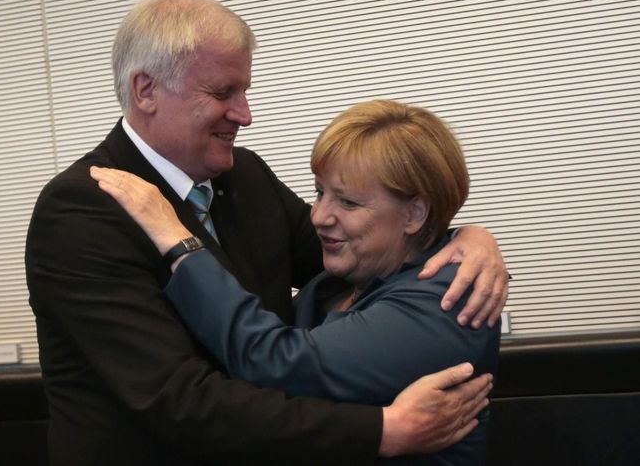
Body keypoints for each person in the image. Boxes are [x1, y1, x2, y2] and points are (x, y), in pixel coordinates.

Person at [26, 0, 505, 465]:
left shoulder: (244, 175)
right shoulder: (82, 210)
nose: (245, 114)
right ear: (146, 90)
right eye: (222, 92)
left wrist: (464, 238)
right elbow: (179, 402)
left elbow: (359, 250)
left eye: (244, 90)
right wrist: (382, 430)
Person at [91, 99, 501, 464]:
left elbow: (274, 361)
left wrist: (178, 241)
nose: (319, 216)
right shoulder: (342, 280)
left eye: (348, 201)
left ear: (414, 214)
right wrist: (473, 233)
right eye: (320, 192)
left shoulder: (447, 301)